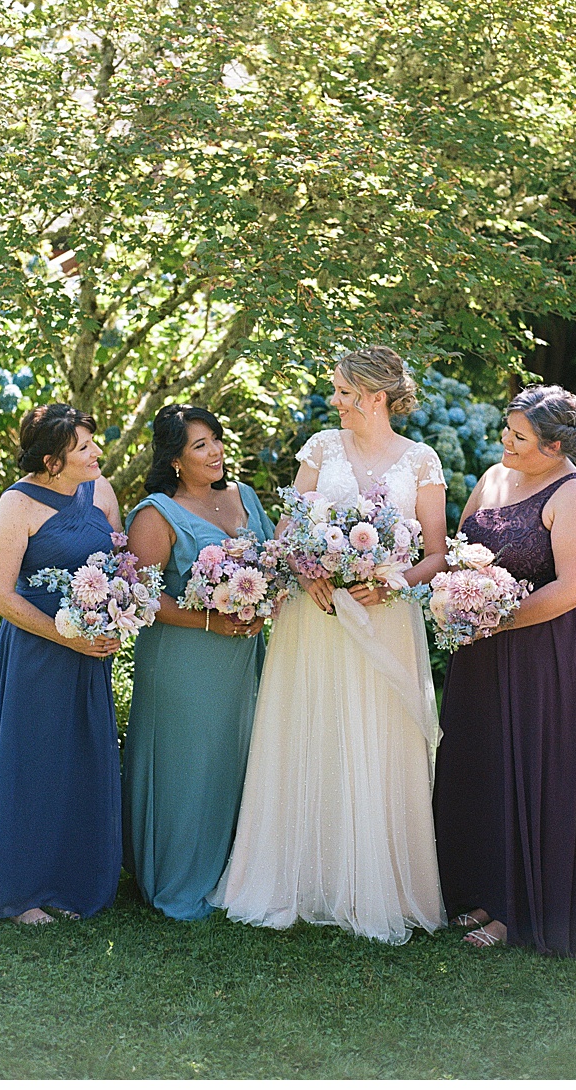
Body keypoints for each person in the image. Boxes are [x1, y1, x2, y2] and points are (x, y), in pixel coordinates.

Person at [213, 347, 447, 945]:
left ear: (375, 396)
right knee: (312, 727)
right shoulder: (320, 449)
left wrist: (390, 583)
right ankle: (304, 878)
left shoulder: (422, 462)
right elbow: (290, 531)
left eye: (344, 392)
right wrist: (306, 569)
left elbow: (436, 555)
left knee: (379, 733)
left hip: (384, 617)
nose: (335, 402)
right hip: (314, 616)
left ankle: (376, 886)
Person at [433, 384, 576, 956]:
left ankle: (521, 911)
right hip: (480, 647)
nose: (505, 442)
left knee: (530, 767)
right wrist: (446, 591)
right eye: (507, 430)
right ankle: (483, 891)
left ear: (555, 445)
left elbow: (575, 586)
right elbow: (459, 547)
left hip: (543, 652)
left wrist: (498, 618)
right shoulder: (493, 478)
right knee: (478, 762)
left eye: (519, 436)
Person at [0, 404, 124, 923]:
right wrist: (68, 635)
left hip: (89, 657)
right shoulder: (17, 505)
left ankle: (74, 878)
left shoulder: (100, 492)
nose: (96, 453)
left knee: (82, 759)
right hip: (39, 655)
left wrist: (119, 616)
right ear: (53, 460)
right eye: (83, 447)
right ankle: (20, 892)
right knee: (33, 763)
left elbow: (119, 568)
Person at [123, 405, 274, 920]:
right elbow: (142, 597)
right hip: (183, 661)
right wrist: (213, 619)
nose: (216, 453)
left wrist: (261, 601)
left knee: (237, 759)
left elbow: (275, 564)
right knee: (189, 766)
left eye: (216, 440)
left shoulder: (244, 498)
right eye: (200, 446)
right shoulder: (155, 514)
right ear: (174, 461)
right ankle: (176, 877)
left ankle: (236, 871)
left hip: (242, 657)